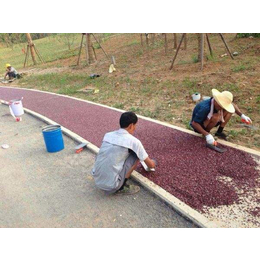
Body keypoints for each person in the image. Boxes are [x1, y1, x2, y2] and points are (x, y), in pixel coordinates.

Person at [91, 111, 156, 195]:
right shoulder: (134, 141)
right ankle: (121, 187)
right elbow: (150, 165)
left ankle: (110, 177)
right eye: (135, 125)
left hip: (97, 179)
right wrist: (153, 163)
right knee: (135, 155)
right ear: (131, 125)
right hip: (112, 186)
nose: (135, 127)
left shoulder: (107, 135)